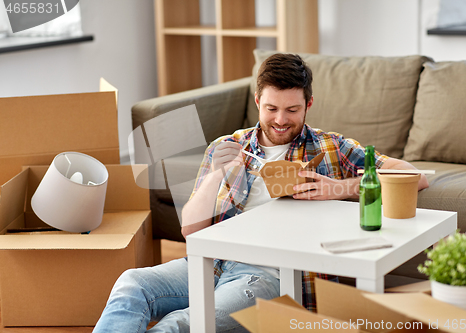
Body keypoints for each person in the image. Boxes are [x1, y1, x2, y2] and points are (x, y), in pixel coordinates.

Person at [93, 53, 429, 333]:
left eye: (292, 110)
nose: (280, 120)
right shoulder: (226, 147)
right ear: (257, 101)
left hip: (267, 275)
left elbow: (416, 178)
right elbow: (191, 230)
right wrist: (217, 174)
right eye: (271, 109)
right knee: (131, 285)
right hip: (212, 262)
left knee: (179, 325)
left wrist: (342, 187)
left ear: (308, 104)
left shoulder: (331, 147)